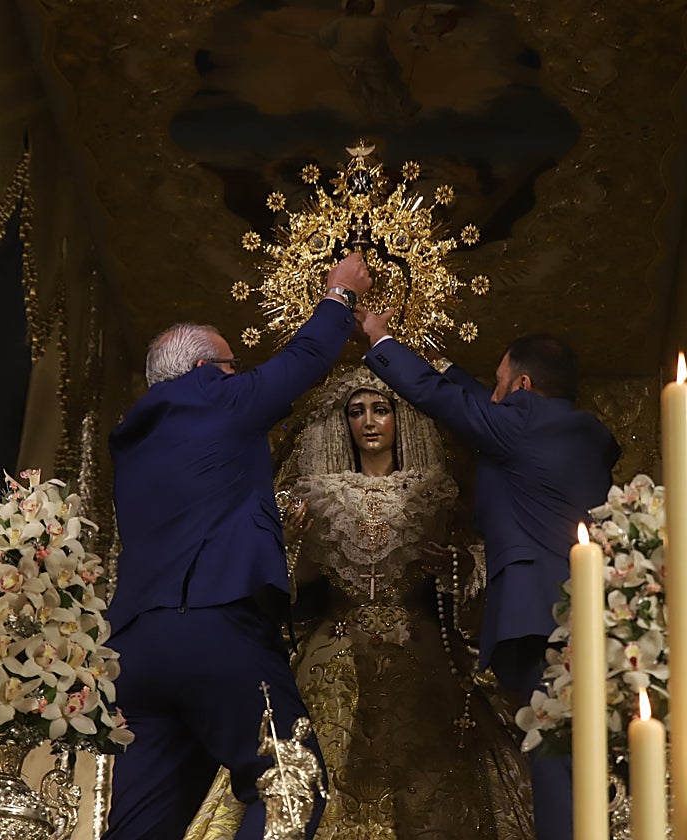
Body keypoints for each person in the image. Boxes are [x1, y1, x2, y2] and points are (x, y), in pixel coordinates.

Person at [185, 366, 534, 839]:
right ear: (344, 423)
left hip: (420, 652)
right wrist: (285, 546)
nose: (369, 422)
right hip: (334, 653)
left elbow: (471, 570)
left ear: (400, 419)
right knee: (312, 774)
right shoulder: (317, 495)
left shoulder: (435, 492)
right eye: (357, 412)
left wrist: (456, 567)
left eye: (380, 410)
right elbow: (288, 588)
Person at [104, 253, 372, 840]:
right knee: (290, 782)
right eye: (233, 366)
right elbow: (302, 362)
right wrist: (340, 295)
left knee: (142, 822)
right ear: (207, 367)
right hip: (214, 630)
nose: (238, 376)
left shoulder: (134, 434)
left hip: (135, 654)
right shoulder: (212, 397)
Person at [357, 318, 620, 840]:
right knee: (578, 753)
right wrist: (446, 363)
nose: (492, 394)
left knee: (555, 756)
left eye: (499, 383)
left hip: (541, 620)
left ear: (522, 388)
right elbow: (483, 405)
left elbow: (449, 402)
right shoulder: (581, 433)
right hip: (596, 616)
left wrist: (381, 340)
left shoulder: (518, 424)